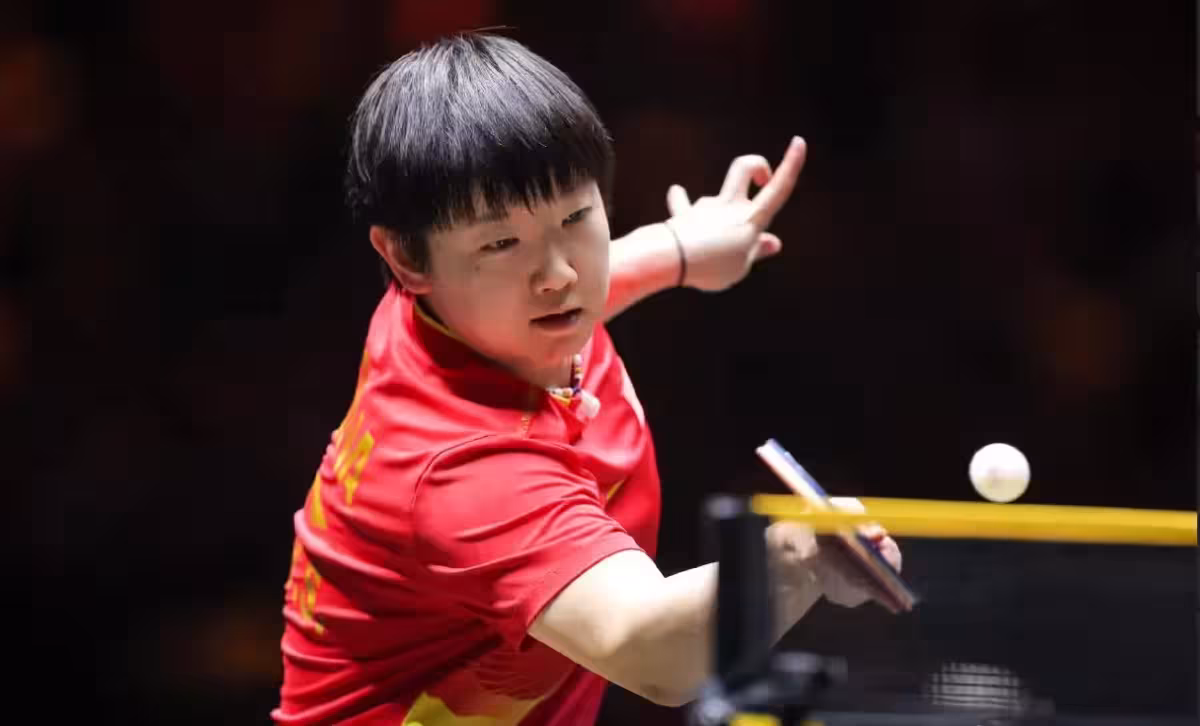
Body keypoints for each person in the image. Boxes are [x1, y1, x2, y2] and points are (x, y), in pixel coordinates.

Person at [273, 32, 902, 725]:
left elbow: (579, 268)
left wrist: (679, 249)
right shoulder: (462, 466)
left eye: (576, 216)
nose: (561, 274)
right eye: (500, 243)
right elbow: (651, 654)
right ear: (405, 259)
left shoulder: (467, 314)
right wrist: (797, 554)